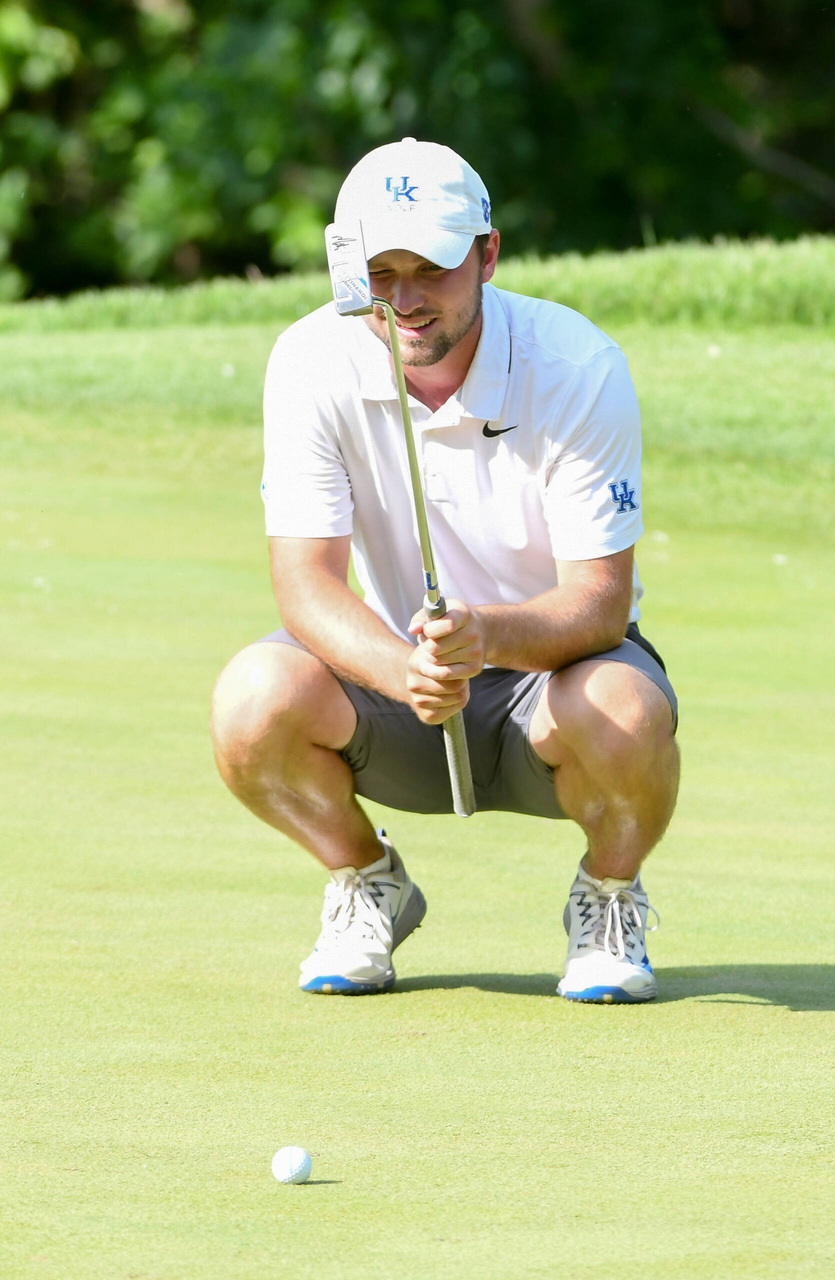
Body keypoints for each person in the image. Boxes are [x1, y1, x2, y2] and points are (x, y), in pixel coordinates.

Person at [210, 138, 680, 1004]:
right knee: (250, 699)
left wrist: (484, 634)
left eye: (431, 267)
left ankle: (610, 896)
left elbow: (600, 602)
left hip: (554, 685)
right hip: (395, 685)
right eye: (380, 272)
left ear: (487, 253)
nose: (406, 299)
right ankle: (367, 880)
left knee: (627, 705)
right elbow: (305, 582)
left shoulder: (575, 364)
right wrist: (407, 670)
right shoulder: (310, 360)